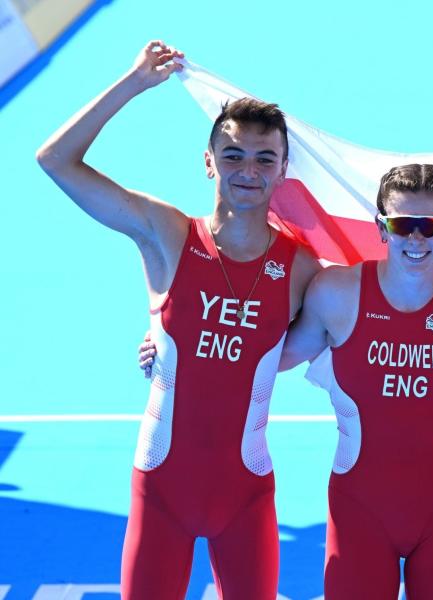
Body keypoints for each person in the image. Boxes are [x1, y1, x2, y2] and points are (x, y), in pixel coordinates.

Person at [36, 41, 319, 599]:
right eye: (233, 155)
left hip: (246, 497)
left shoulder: (305, 269)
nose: (248, 170)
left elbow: (345, 328)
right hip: (160, 491)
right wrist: (133, 83)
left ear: (285, 169)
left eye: (265, 158)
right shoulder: (167, 234)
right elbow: (55, 161)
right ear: (208, 161)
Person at [277, 164, 433, 599]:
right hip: (359, 507)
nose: (415, 239)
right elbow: (269, 359)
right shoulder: (336, 293)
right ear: (381, 227)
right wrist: (175, 345)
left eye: (429, 226)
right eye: (402, 225)